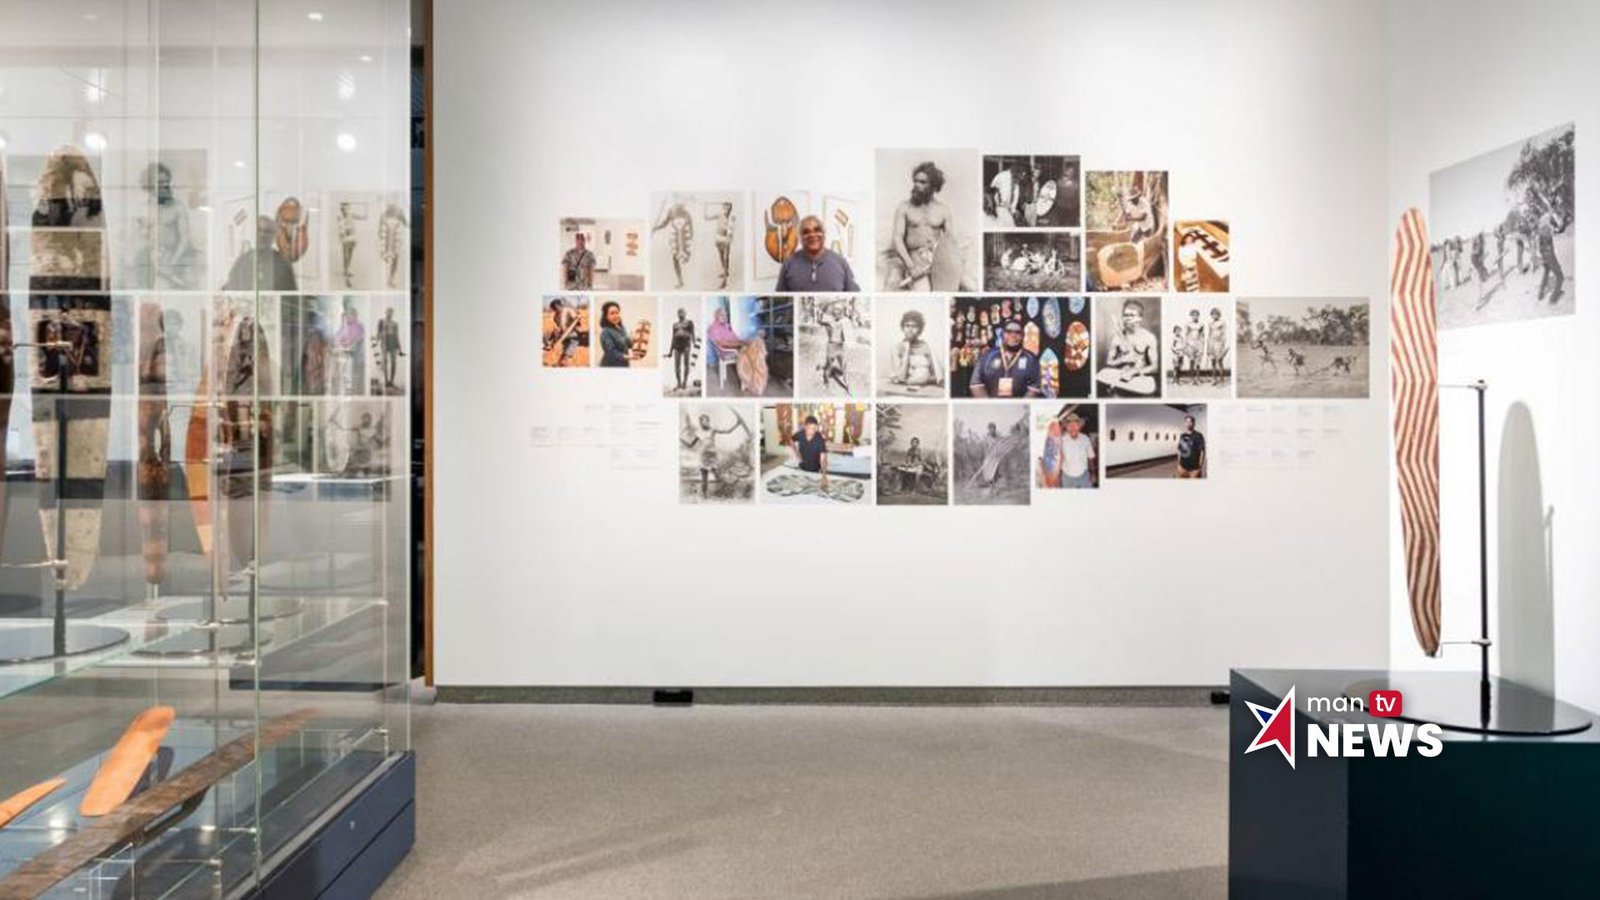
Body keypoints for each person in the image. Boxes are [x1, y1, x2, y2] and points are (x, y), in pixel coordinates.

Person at [887, 161, 964, 291]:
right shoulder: (904, 208)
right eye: (915, 181)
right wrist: (911, 267)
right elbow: (897, 239)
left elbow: (950, 244)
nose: (916, 185)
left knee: (966, 286)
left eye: (922, 182)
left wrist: (949, 266)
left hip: (939, 262)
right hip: (914, 262)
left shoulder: (944, 210)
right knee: (923, 291)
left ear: (934, 187)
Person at [776, 216, 859, 292]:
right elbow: (779, 296)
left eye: (817, 230)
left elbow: (856, 296)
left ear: (824, 234)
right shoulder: (788, 264)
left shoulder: (841, 263)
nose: (812, 235)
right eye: (806, 232)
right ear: (800, 237)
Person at [1097, 298, 1158, 396]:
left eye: (1132, 315)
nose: (1128, 318)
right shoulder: (1116, 338)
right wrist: (1122, 360)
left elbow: (1154, 367)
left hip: (1138, 378)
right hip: (1119, 377)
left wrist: (1135, 372)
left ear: (1140, 318)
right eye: (1125, 315)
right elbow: (1109, 362)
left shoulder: (1149, 337)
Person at [224, 215, 297, 292]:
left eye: (268, 232)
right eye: (259, 230)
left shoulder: (283, 264)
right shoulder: (242, 261)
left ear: (274, 236)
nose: (262, 235)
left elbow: (292, 297)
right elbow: (230, 290)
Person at [969, 320, 1039, 398]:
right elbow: (976, 384)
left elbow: (1034, 387)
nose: (1013, 335)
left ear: (1023, 336)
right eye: (1009, 332)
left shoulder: (1031, 359)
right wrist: (989, 407)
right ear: (1002, 334)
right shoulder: (988, 356)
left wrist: (1019, 407)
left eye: (1018, 332)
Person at [888, 308, 942, 391]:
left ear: (920, 329)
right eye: (907, 325)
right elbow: (901, 378)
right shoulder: (896, 348)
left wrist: (921, 380)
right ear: (902, 327)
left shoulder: (926, 347)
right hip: (901, 390)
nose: (910, 329)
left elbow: (936, 377)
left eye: (914, 326)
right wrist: (907, 350)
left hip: (924, 389)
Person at [652, 198, 694, 289]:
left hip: (684, 239)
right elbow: (664, 223)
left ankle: (687, 279)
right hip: (675, 239)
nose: (680, 205)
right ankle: (680, 281)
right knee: (675, 259)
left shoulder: (687, 214)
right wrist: (655, 228)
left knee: (685, 259)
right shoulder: (671, 211)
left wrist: (690, 242)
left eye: (682, 204)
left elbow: (691, 229)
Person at [818, 303, 852, 394]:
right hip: (832, 346)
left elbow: (849, 334)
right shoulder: (830, 322)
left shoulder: (844, 321)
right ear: (833, 313)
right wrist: (821, 310)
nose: (837, 313)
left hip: (841, 346)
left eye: (839, 311)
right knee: (828, 367)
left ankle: (847, 386)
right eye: (835, 311)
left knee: (844, 368)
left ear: (842, 312)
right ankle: (826, 384)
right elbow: (820, 321)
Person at [791, 414, 830, 491]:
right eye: (810, 428)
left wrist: (824, 475)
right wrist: (796, 453)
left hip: (815, 469)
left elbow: (823, 459)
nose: (813, 431)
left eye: (815, 428)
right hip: (802, 467)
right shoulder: (800, 434)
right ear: (805, 427)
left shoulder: (819, 438)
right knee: (801, 490)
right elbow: (791, 440)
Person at [1058, 412, 1096, 488]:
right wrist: (1058, 476)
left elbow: (1090, 457)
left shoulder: (1085, 439)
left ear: (1079, 426)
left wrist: (1093, 473)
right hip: (1067, 477)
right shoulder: (1061, 440)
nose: (1072, 428)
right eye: (1070, 425)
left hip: (1084, 476)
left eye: (1075, 425)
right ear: (1066, 427)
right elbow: (1058, 460)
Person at [544, 297, 582, 367]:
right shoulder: (555, 316)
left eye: (556, 307)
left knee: (567, 354)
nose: (556, 309)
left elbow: (576, 321)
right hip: (564, 337)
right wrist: (554, 340)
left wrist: (578, 319)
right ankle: (560, 365)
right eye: (554, 308)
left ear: (560, 305)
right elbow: (559, 328)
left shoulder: (568, 311)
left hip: (574, 335)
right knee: (564, 354)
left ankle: (561, 365)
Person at [665, 307, 697, 392]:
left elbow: (693, 334)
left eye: (682, 312)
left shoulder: (689, 323)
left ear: (685, 313)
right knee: (677, 366)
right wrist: (670, 351)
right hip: (676, 346)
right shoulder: (675, 325)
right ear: (677, 314)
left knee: (686, 364)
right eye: (679, 312)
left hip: (686, 345)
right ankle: (679, 383)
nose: (680, 314)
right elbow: (673, 337)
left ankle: (684, 382)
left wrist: (695, 345)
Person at [708, 200, 735, 288]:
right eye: (724, 207)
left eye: (728, 207)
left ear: (730, 208)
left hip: (726, 239)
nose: (726, 209)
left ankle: (724, 282)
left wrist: (728, 237)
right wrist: (705, 207)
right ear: (723, 207)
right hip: (718, 238)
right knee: (721, 255)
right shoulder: (720, 214)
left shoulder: (732, 217)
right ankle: (725, 272)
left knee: (726, 258)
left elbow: (730, 230)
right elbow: (707, 217)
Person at [377, 306, 404, 389]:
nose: (389, 313)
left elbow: (396, 335)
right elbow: (378, 334)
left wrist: (399, 346)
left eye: (391, 312)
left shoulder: (395, 323)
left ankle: (391, 381)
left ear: (393, 313)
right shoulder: (381, 322)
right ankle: (386, 381)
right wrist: (378, 338)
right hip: (385, 342)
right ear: (385, 312)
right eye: (388, 312)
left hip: (393, 342)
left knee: (394, 362)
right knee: (385, 362)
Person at [598, 300, 631, 368]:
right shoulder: (605, 332)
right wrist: (630, 357)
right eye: (612, 313)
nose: (615, 315)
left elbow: (628, 345)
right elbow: (611, 353)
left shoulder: (622, 328)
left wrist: (635, 338)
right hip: (610, 366)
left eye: (617, 312)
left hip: (624, 365)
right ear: (606, 316)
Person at [1176, 414, 1205, 479]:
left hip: (1194, 469)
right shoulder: (1182, 435)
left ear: (1194, 423)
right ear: (1184, 423)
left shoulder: (1199, 435)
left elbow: (1202, 452)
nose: (1188, 424)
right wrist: (1178, 464)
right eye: (1186, 422)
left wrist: (1199, 467)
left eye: (1190, 422)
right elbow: (1179, 450)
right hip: (1182, 468)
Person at [1206, 307, 1229, 385]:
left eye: (1216, 314)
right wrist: (1208, 347)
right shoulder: (1210, 324)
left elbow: (1224, 335)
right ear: (1211, 315)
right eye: (1213, 314)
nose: (1214, 315)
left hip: (1219, 343)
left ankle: (1222, 379)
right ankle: (1214, 379)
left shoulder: (1222, 323)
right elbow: (1209, 335)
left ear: (1219, 315)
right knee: (1213, 362)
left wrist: (1223, 345)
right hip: (1212, 343)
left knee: (1220, 361)